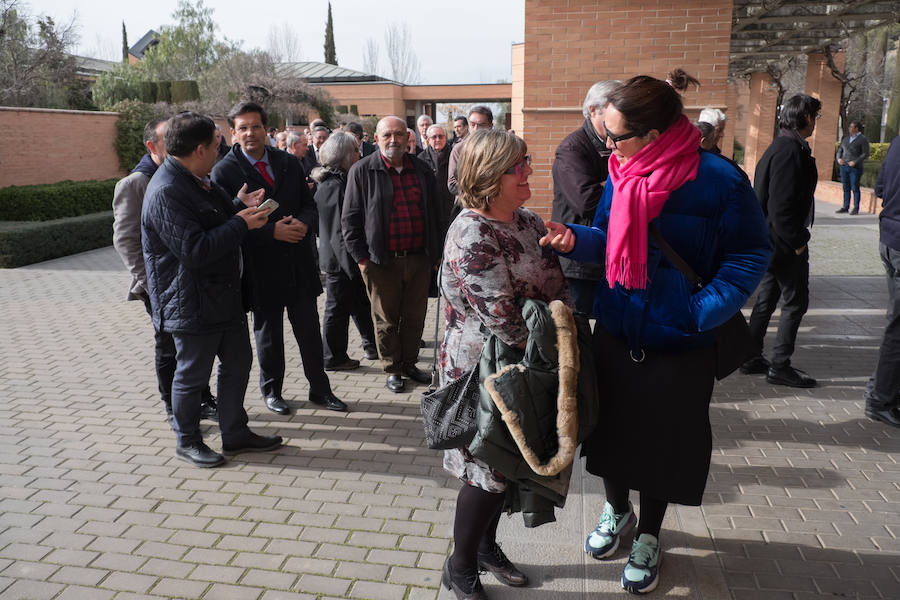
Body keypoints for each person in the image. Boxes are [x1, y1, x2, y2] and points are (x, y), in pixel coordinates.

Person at [542, 72, 770, 594]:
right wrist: (573, 239)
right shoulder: (623, 171)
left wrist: (701, 310)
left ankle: (649, 534)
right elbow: (609, 238)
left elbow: (750, 255)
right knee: (611, 435)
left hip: (681, 339)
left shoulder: (720, 180)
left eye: (616, 135)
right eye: (605, 133)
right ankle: (617, 511)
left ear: (653, 133)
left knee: (665, 448)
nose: (607, 144)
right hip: (620, 328)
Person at [440, 129, 573, 599]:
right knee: (488, 470)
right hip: (485, 371)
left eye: (527, 161)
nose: (528, 171)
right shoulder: (472, 231)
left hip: (526, 365)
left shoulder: (528, 221)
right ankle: (459, 567)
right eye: (518, 165)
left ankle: (484, 547)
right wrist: (553, 350)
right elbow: (502, 317)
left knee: (509, 466)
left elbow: (558, 286)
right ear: (490, 173)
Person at [142, 111, 282, 467]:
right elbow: (194, 249)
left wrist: (239, 207)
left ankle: (234, 432)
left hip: (222, 297)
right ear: (200, 148)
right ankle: (187, 440)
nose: (222, 151)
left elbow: (213, 220)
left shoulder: (198, 178)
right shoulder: (166, 189)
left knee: (238, 362)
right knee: (192, 374)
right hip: (190, 301)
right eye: (218, 144)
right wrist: (239, 223)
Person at [212, 101, 348, 414]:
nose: (250, 133)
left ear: (265, 129)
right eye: (243, 128)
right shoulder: (225, 171)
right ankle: (272, 391)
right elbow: (223, 224)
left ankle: (320, 388)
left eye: (256, 126)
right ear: (233, 133)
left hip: (298, 261)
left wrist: (304, 223)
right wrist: (270, 232)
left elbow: (309, 204)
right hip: (261, 268)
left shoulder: (287, 161)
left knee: (309, 331)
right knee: (268, 335)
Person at [113, 119, 218, 426]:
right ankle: (173, 406)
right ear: (152, 146)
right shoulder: (135, 183)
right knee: (169, 347)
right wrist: (151, 282)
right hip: (159, 285)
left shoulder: (189, 177)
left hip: (189, 281)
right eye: (168, 140)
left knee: (194, 347)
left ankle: (200, 397)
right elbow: (125, 240)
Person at [342, 116, 443, 393]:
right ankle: (392, 368)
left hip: (419, 259)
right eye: (387, 135)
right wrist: (362, 259)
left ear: (409, 139)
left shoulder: (422, 170)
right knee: (386, 320)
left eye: (399, 135)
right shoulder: (362, 171)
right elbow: (350, 219)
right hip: (380, 262)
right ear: (376, 139)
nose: (394, 140)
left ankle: (410, 364)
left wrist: (435, 253)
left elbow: (436, 213)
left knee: (414, 317)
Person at [741, 94, 822, 388]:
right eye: (815, 117)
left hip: (771, 242)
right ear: (806, 118)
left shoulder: (781, 146)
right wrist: (798, 241)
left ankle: (749, 357)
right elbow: (781, 208)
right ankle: (780, 365)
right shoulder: (789, 151)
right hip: (784, 244)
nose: (815, 123)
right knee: (795, 303)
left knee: (766, 300)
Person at [311, 132, 379, 369]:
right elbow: (341, 230)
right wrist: (353, 264)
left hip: (344, 257)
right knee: (337, 309)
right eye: (357, 152)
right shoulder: (334, 186)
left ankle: (372, 344)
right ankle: (332, 356)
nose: (360, 155)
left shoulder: (335, 181)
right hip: (342, 260)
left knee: (360, 303)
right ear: (346, 156)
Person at [551, 80, 619, 314]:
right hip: (579, 262)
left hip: (607, 258)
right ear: (593, 110)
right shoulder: (572, 149)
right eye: (612, 111)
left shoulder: (616, 144)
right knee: (580, 336)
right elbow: (587, 201)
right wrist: (621, 185)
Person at [864, 136, 900, 428]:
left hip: (889, 237)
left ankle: (881, 388)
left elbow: (879, 188)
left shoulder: (897, 143)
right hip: (897, 241)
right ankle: (880, 398)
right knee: (897, 326)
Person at [419, 124, 453, 226]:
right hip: (431, 209)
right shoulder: (421, 159)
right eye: (434, 137)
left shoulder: (454, 155)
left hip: (451, 208)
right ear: (428, 139)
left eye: (441, 136)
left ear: (445, 138)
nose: (437, 139)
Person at [836, 120, 870, 215]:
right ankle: (845, 206)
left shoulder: (863, 139)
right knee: (845, 187)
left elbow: (865, 153)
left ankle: (855, 207)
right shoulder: (846, 138)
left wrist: (855, 162)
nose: (850, 129)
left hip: (855, 168)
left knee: (855, 187)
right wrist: (838, 158)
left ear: (857, 128)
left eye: (852, 127)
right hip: (844, 166)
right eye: (850, 127)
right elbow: (840, 150)